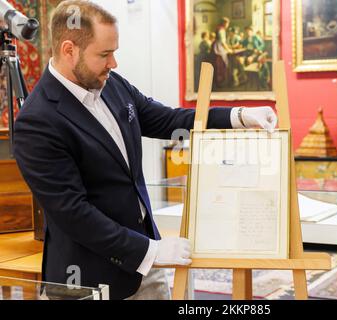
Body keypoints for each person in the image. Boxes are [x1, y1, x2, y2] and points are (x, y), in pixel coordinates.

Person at [13, 0, 278, 300]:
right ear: (68, 50)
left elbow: (168, 119)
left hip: (144, 269)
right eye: (104, 54)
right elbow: (74, 214)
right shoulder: (37, 121)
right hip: (88, 281)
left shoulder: (111, 84)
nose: (114, 63)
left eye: (114, 52)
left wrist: (240, 116)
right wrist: (151, 250)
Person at [212, 17, 233, 88]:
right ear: (224, 23)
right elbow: (223, 42)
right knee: (221, 65)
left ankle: (220, 81)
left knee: (219, 65)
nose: (228, 25)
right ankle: (221, 82)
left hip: (216, 47)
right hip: (218, 48)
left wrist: (228, 47)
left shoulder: (219, 28)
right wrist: (228, 49)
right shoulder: (221, 30)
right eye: (227, 23)